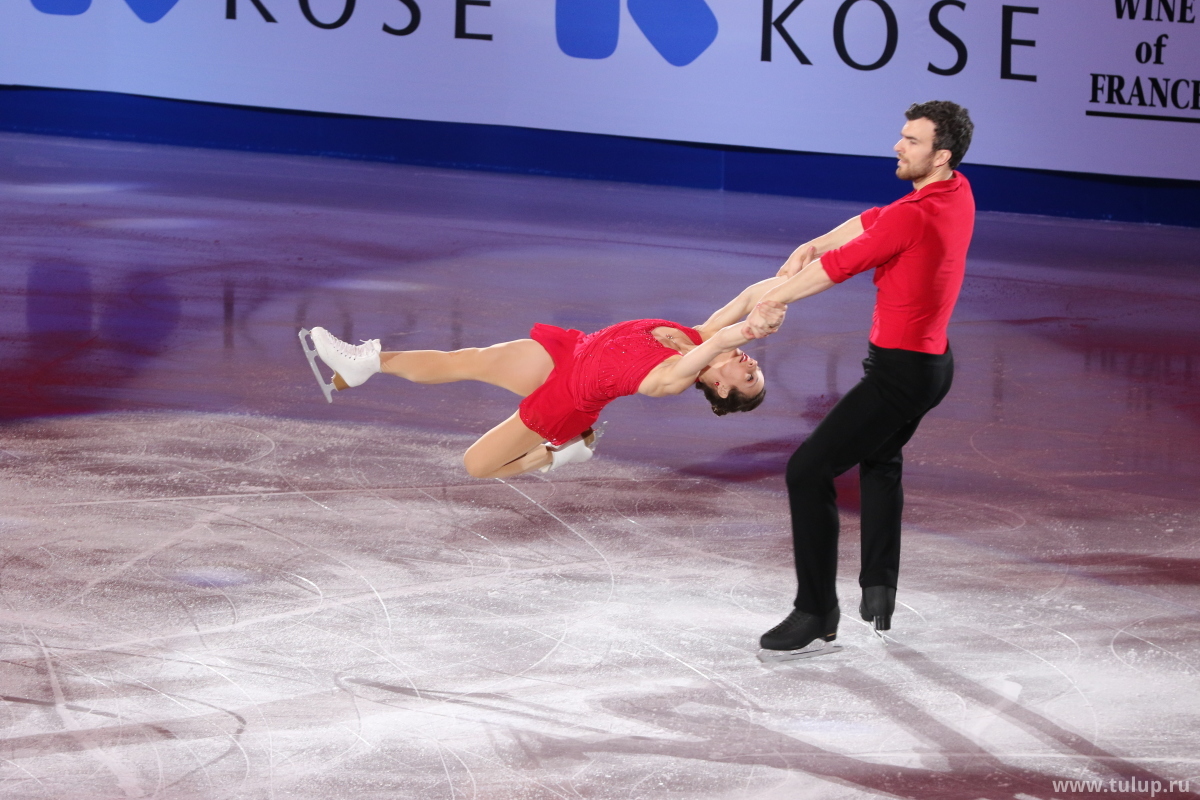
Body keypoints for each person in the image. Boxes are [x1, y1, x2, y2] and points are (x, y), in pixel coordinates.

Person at [747, 100, 976, 661]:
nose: (898, 146)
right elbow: (874, 219)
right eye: (901, 136)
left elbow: (838, 269)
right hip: (932, 365)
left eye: (912, 141)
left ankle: (816, 611)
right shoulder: (955, 193)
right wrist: (815, 242)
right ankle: (879, 584)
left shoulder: (915, 215)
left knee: (808, 470)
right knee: (880, 458)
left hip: (900, 374)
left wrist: (770, 298)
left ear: (940, 154)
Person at [300, 278, 788, 479]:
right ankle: (366, 363)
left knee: (477, 465)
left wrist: (748, 330)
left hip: (568, 398)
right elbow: (748, 296)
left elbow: (721, 341)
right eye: (755, 367)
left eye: (750, 378)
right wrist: (794, 277)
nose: (751, 364)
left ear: (720, 388)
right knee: (469, 358)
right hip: (570, 353)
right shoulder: (695, 333)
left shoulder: (676, 378)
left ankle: (557, 454)